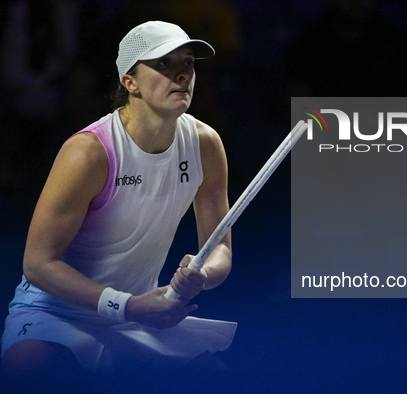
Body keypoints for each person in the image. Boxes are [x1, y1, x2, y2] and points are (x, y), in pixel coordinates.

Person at [0, 21, 235, 390]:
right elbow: (38, 264)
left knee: (221, 381)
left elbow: (219, 247)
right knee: (26, 370)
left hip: (140, 314)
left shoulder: (205, 144)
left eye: (188, 62)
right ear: (130, 82)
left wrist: (203, 274)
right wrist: (126, 305)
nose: (182, 73)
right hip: (58, 313)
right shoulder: (88, 153)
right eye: (163, 63)